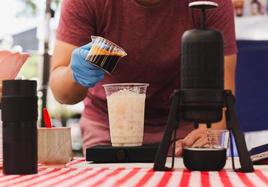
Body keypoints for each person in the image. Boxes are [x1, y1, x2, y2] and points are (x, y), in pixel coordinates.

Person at [50, 0, 237, 155]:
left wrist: (207, 134)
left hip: (184, 133)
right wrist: (74, 74)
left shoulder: (211, 3)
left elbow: (220, 98)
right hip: (110, 131)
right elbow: (63, 93)